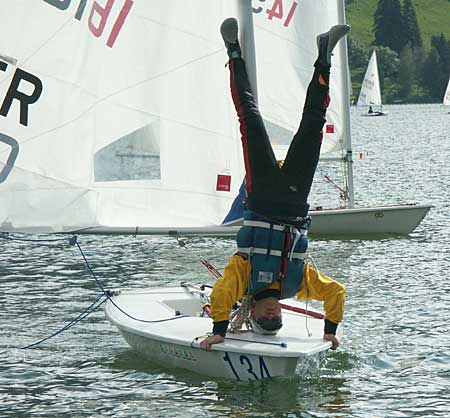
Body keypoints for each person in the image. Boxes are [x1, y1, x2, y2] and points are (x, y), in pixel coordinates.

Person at [200, 18, 349, 352]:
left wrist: (220, 330)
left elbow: (221, 294)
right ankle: (324, 55)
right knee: (313, 123)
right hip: (296, 202)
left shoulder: (243, 280)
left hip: (263, 196)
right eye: (276, 319)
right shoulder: (299, 285)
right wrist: (330, 330)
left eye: (265, 319)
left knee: (249, 118)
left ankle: (233, 51)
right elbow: (335, 291)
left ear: (252, 313)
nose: (272, 314)